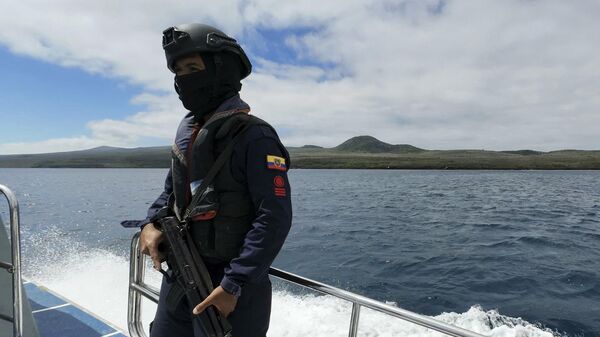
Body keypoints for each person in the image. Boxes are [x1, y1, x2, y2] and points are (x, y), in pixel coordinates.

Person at [138, 23, 292, 337]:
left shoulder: (255, 137)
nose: (184, 78)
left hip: (232, 286)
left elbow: (273, 217)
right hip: (181, 272)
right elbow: (171, 195)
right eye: (178, 71)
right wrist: (151, 223)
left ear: (222, 71)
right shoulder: (187, 138)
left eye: (193, 68)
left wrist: (233, 284)